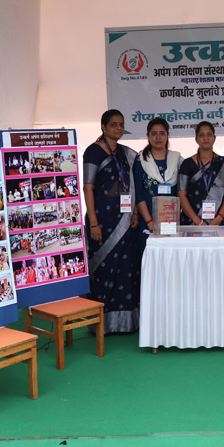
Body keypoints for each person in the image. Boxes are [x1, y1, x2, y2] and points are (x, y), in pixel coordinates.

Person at [82, 109, 140, 333]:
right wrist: (93, 223)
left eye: (121, 124)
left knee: (125, 269)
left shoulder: (126, 153)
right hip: (102, 222)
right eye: (114, 124)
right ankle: (100, 323)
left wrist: (134, 212)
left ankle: (125, 322)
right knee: (104, 270)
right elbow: (88, 188)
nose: (118, 128)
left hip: (125, 220)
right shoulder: (93, 151)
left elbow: (132, 186)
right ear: (103, 127)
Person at [178, 121, 224, 226]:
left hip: (219, 222)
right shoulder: (187, 164)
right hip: (192, 223)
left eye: (209, 134)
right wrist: (198, 221)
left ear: (214, 138)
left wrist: (219, 218)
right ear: (196, 139)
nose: (206, 138)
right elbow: (181, 195)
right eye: (201, 135)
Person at [133, 118, 183, 234]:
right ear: (148, 136)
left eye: (162, 133)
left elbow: (181, 193)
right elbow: (138, 194)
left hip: (171, 221)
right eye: (154, 134)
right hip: (147, 222)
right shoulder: (141, 160)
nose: (158, 137)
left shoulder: (177, 160)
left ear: (167, 135)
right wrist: (150, 222)